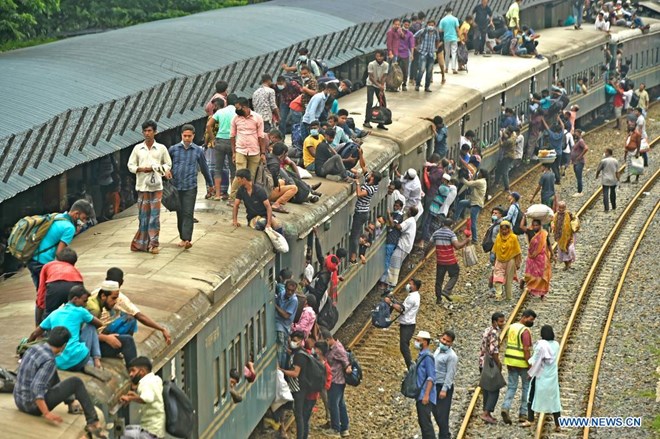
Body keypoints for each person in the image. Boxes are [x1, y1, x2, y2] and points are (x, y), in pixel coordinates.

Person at [13, 326, 107, 438]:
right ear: (63, 346)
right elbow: (36, 388)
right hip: (31, 406)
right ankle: (93, 422)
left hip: (19, 400)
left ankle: (70, 402)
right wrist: (46, 413)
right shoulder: (49, 360)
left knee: (52, 372)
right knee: (76, 382)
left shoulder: (34, 348)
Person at [28, 286, 109, 380]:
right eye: (84, 301)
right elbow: (99, 324)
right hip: (79, 357)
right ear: (75, 299)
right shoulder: (81, 311)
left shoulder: (54, 313)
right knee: (91, 326)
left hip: (60, 364)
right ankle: (95, 360)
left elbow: (34, 334)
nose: (86, 304)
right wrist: (83, 321)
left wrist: (27, 345)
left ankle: (88, 362)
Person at [26, 199, 93, 301]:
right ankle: (45, 316)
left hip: (33, 258)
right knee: (47, 298)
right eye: (84, 218)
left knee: (41, 294)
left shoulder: (58, 216)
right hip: (43, 263)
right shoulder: (69, 227)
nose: (84, 222)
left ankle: (42, 315)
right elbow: (59, 253)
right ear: (76, 214)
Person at [127, 120, 172, 254]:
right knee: (143, 216)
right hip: (142, 186)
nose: (147, 133)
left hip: (156, 186)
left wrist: (159, 169)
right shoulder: (137, 149)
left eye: (150, 131)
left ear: (155, 132)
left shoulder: (161, 148)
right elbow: (130, 166)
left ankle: (154, 244)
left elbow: (168, 164)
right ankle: (142, 244)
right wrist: (141, 169)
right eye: (145, 131)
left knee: (154, 216)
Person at [94, 267, 171, 343]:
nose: (114, 301)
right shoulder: (120, 298)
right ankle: (124, 344)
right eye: (113, 298)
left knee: (123, 312)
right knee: (130, 318)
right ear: (122, 282)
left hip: (94, 332)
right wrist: (162, 329)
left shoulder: (95, 292)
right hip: (100, 334)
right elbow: (140, 316)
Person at [168, 124, 214, 249]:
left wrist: (210, 184)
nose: (187, 138)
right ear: (181, 135)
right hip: (176, 187)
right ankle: (182, 236)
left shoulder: (198, 151)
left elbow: (204, 168)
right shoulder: (173, 149)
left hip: (191, 186)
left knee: (188, 213)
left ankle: (186, 239)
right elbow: (166, 165)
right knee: (180, 213)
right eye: (185, 136)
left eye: (189, 136)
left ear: (193, 136)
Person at [85, 281, 140, 368]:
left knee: (129, 319)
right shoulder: (95, 310)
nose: (115, 302)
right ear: (103, 296)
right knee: (128, 341)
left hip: (91, 344)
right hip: (87, 349)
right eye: (113, 298)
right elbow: (85, 335)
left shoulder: (95, 302)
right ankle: (134, 372)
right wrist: (106, 338)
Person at [521, 325, 562, 431]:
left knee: (531, 396)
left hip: (540, 376)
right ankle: (558, 424)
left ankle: (530, 419)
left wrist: (530, 372)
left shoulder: (541, 345)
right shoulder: (556, 345)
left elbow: (535, 361)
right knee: (554, 400)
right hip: (552, 377)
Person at [501, 309, 536, 425]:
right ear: (525, 317)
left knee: (512, 386)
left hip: (510, 361)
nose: (531, 322)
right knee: (526, 387)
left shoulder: (512, 327)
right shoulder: (525, 331)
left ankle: (505, 407)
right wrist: (530, 364)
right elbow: (526, 349)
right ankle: (523, 414)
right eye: (531, 320)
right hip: (522, 363)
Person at [120, 357, 166, 439]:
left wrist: (130, 399)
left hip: (150, 430)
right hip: (158, 428)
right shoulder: (155, 379)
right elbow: (151, 397)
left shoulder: (144, 383)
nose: (130, 374)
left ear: (142, 371)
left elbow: (147, 399)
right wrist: (135, 396)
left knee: (123, 434)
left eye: (133, 370)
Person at [230, 97, 266, 198]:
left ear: (244, 107)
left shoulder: (257, 118)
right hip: (240, 150)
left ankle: (246, 197)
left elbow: (261, 136)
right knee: (240, 175)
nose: (236, 110)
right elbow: (232, 136)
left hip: (254, 151)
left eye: (238, 108)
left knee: (251, 176)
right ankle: (233, 197)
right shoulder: (235, 119)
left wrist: (263, 153)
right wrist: (234, 152)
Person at [36, 247, 83, 323]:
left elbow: (41, 290)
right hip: (76, 284)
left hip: (55, 285)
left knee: (49, 314)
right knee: (74, 312)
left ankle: (46, 333)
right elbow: (81, 288)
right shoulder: (75, 270)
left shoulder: (48, 265)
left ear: (57, 259)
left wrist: (41, 306)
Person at [278, 330, 311, 439]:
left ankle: (301, 437)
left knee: (299, 415)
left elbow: (295, 373)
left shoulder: (299, 356)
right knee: (293, 411)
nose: (292, 342)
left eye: (295, 340)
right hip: (294, 389)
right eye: (292, 340)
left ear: (300, 341)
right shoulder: (295, 352)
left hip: (299, 390)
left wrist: (281, 370)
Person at [384, 279, 422, 369]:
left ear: (415, 286)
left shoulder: (412, 298)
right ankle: (410, 366)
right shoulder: (414, 295)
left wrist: (390, 303)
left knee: (404, 346)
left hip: (408, 325)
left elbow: (402, 309)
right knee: (404, 345)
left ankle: (410, 367)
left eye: (410, 284)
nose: (408, 285)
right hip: (407, 324)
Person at [321, 328, 352, 437]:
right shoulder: (332, 348)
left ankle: (336, 429)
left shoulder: (338, 349)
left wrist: (348, 368)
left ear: (328, 339)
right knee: (340, 404)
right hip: (335, 380)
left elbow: (347, 363)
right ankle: (344, 428)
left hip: (336, 381)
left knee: (333, 404)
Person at [432, 218, 470, 304]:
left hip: (440, 261)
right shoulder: (451, 234)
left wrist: (424, 255)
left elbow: (430, 244)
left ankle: (438, 299)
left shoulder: (436, 233)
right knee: (455, 274)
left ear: (443, 224)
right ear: (451, 225)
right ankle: (446, 290)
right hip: (450, 260)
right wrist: (466, 241)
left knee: (439, 280)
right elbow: (457, 246)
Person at [208, 93, 238, 201]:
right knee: (233, 169)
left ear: (226, 101)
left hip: (220, 141)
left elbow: (208, 125)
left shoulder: (220, 111)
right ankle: (233, 195)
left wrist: (212, 139)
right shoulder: (237, 112)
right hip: (232, 142)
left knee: (218, 169)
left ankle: (217, 195)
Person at [348, 171, 381, 265]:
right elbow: (364, 168)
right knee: (356, 234)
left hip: (361, 214)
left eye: (370, 175)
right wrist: (359, 156)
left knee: (354, 236)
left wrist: (357, 183)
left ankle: (353, 259)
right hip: (363, 213)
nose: (368, 175)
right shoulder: (371, 181)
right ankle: (355, 255)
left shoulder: (371, 188)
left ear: (373, 178)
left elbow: (359, 194)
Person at [479, 312, 505, 424]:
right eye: (500, 321)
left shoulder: (487, 330)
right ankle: (486, 413)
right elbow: (494, 350)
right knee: (494, 389)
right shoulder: (494, 333)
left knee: (486, 388)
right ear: (494, 322)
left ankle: (486, 412)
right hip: (490, 364)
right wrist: (498, 364)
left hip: (482, 362)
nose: (503, 323)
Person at [432, 330, 458, 439]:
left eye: (448, 341)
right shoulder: (438, 350)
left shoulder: (452, 356)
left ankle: (444, 436)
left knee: (442, 414)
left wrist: (444, 389)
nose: (444, 342)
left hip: (442, 386)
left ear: (451, 343)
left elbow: (450, 374)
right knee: (435, 412)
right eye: (443, 339)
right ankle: (445, 433)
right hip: (433, 385)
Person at [385, 207, 418, 290]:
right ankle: (390, 284)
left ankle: (391, 285)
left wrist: (392, 219)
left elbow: (399, 227)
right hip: (405, 246)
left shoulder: (409, 221)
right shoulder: (412, 220)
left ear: (410, 212)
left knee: (394, 263)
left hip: (403, 246)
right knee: (395, 263)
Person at [520, 217, 553, 298]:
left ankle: (542, 292)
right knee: (531, 275)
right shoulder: (530, 232)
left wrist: (552, 254)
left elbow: (548, 244)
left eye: (537, 225)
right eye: (534, 225)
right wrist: (524, 217)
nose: (535, 227)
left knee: (543, 274)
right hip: (532, 257)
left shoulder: (544, 234)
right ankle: (524, 280)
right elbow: (521, 227)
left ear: (540, 225)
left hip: (542, 257)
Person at [413, 331, 437, 439]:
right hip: (420, 394)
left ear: (425, 342)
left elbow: (431, 377)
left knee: (426, 424)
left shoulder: (427, 357)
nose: (416, 342)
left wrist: (426, 395)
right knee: (423, 422)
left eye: (419, 340)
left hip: (424, 395)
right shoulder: (421, 355)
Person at [492, 220, 522, 302]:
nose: (504, 231)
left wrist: (518, 262)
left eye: (506, 229)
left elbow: (517, 251)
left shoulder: (513, 238)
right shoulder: (499, 237)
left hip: (510, 260)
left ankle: (509, 297)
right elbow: (495, 249)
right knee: (497, 277)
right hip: (499, 260)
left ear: (509, 229)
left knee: (508, 280)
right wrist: (493, 258)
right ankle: (498, 295)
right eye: (502, 229)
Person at [455, 170, 487, 243]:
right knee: (461, 203)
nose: (478, 174)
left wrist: (462, 177)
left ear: (482, 174)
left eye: (479, 173)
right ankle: (455, 220)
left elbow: (468, 183)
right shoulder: (481, 181)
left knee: (473, 222)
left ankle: (475, 239)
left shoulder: (481, 182)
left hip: (476, 204)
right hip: (473, 201)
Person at [275, 279, 299, 368]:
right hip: (277, 322)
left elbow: (286, 315)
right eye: (288, 290)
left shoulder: (294, 300)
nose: (289, 292)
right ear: (285, 288)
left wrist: (276, 306)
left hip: (283, 326)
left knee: (281, 349)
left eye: (292, 291)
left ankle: (281, 368)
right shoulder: (281, 294)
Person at [363, 50, 389, 130]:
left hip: (379, 84)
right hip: (370, 84)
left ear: (383, 57)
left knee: (383, 103)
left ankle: (381, 122)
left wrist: (381, 88)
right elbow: (371, 77)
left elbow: (384, 76)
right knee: (370, 102)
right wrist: (378, 85)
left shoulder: (386, 65)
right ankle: (367, 121)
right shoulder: (371, 64)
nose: (378, 58)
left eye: (380, 56)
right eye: (377, 56)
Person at [414, 19, 442, 91]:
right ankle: (417, 84)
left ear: (434, 26)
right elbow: (414, 36)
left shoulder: (436, 32)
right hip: (423, 53)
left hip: (431, 54)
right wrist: (416, 46)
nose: (431, 27)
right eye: (429, 25)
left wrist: (436, 48)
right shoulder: (423, 31)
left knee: (429, 71)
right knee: (421, 70)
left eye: (432, 25)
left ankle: (427, 87)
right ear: (427, 25)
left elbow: (438, 40)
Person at [552, 201, 577, 270]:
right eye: (560, 208)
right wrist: (553, 227)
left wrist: (574, 226)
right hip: (560, 237)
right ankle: (567, 265)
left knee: (570, 249)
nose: (561, 209)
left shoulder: (569, 214)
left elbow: (575, 220)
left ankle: (569, 264)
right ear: (558, 208)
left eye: (563, 208)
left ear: (565, 208)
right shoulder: (555, 215)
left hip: (569, 236)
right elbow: (553, 223)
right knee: (563, 251)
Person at [595, 148, 620, 212]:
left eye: (605, 152)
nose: (604, 153)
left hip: (605, 179)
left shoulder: (603, 161)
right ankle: (614, 206)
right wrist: (618, 179)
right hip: (613, 179)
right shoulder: (615, 161)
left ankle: (606, 208)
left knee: (605, 193)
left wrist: (596, 176)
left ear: (608, 153)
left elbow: (598, 170)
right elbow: (617, 172)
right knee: (613, 192)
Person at [439, 8, 460, 75]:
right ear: (451, 12)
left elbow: (440, 30)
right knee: (454, 53)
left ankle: (446, 68)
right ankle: (454, 68)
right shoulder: (455, 19)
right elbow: (457, 29)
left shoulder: (442, 20)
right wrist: (459, 37)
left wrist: (446, 29)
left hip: (446, 38)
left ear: (445, 12)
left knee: (447, 53)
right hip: (454, 37)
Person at [397, 19, 415, 90]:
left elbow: (412, 45)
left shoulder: (410, 34)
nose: (406, 26)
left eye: (408, 25)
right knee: (396, 69)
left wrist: (412, 54)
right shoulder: (397, 31)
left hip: (405, 54)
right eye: (405, 25)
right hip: (397, 53)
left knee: (405, 70)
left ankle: (404, 83)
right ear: (403, 24)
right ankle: (395, 83)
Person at [570, 129, 589, 197]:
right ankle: (579, 190)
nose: (575, 134)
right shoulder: (577, 141)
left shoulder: (581, 141)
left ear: (580, 133)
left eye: (576, 133)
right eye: (575, 132)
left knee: (579, 177)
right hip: (575, 162)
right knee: (577, 176)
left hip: (579, 162)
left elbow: (586, 148)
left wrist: (580, 156)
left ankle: (580, 191)